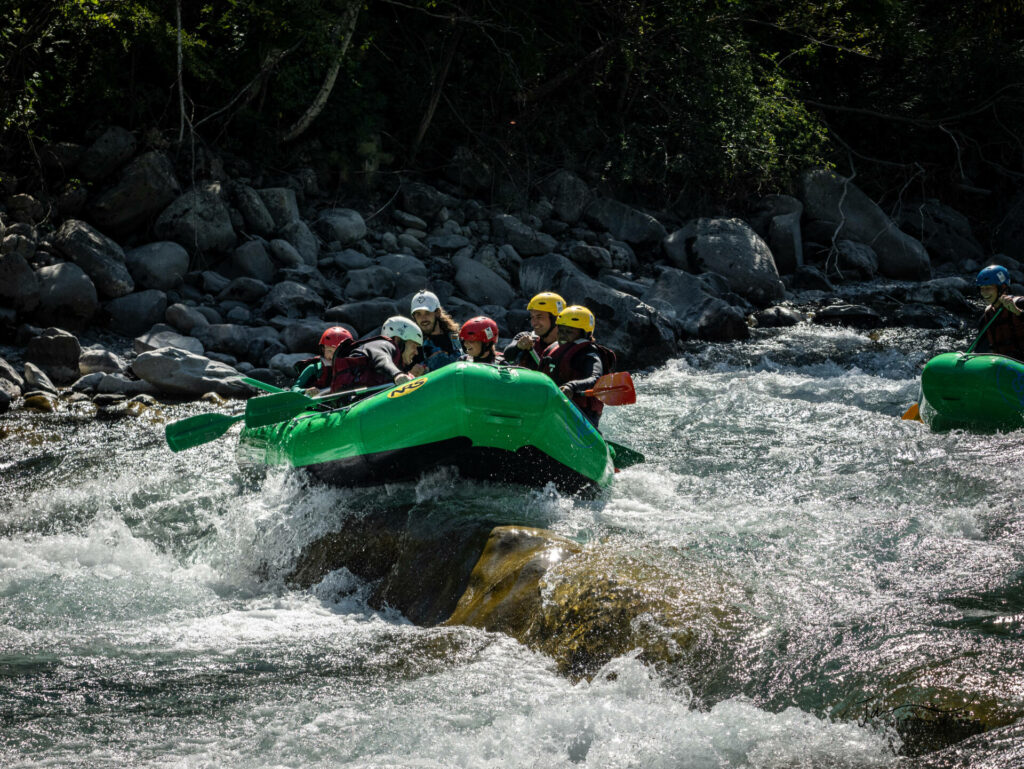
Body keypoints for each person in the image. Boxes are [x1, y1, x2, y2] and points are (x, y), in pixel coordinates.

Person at [539, 305, 615, 428]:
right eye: (561, 330)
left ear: (583, 334)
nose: (563, 335)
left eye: (569, 332)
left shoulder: (589, 353)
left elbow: (596, 378)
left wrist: (571, 386)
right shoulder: (552, 349)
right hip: (552, 407)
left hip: (582, 415)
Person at [322, 316, 424, 391]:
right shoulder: (382, 345)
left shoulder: (396, 361)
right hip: (353, 405)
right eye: (414, 346)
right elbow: (380, 357)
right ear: (399, 340)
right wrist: (397, 374)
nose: (416, 352)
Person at [504, 292, 565, 369]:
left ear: (555, 319)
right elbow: (508, 356)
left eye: (539, 317)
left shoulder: (567, 345)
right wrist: (518, 346)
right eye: (532, 317)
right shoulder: (525, 337)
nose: (533, 323)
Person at [976, 264, 1024, 361]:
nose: (984, 293)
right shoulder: (987, 316)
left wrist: (1018, 312)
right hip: (1004, 368)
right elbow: (979, 350)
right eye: (982, 289)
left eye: (988, 288)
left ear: (1002, 287)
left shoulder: (1020, 303)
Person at [292, 326, 355, 395]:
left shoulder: (351, 367)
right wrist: (305, 391)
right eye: (329, 351)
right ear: (323, 349)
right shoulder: (314, 368)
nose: (332, 356)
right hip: (316, 400)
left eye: (336, 352)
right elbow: (294, 388)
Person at [410, 290, 463, 371]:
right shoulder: (413, 347)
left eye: (427, 312)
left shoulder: (457, 338)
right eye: (418, 314)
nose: (423, 318)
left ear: (437, 313)